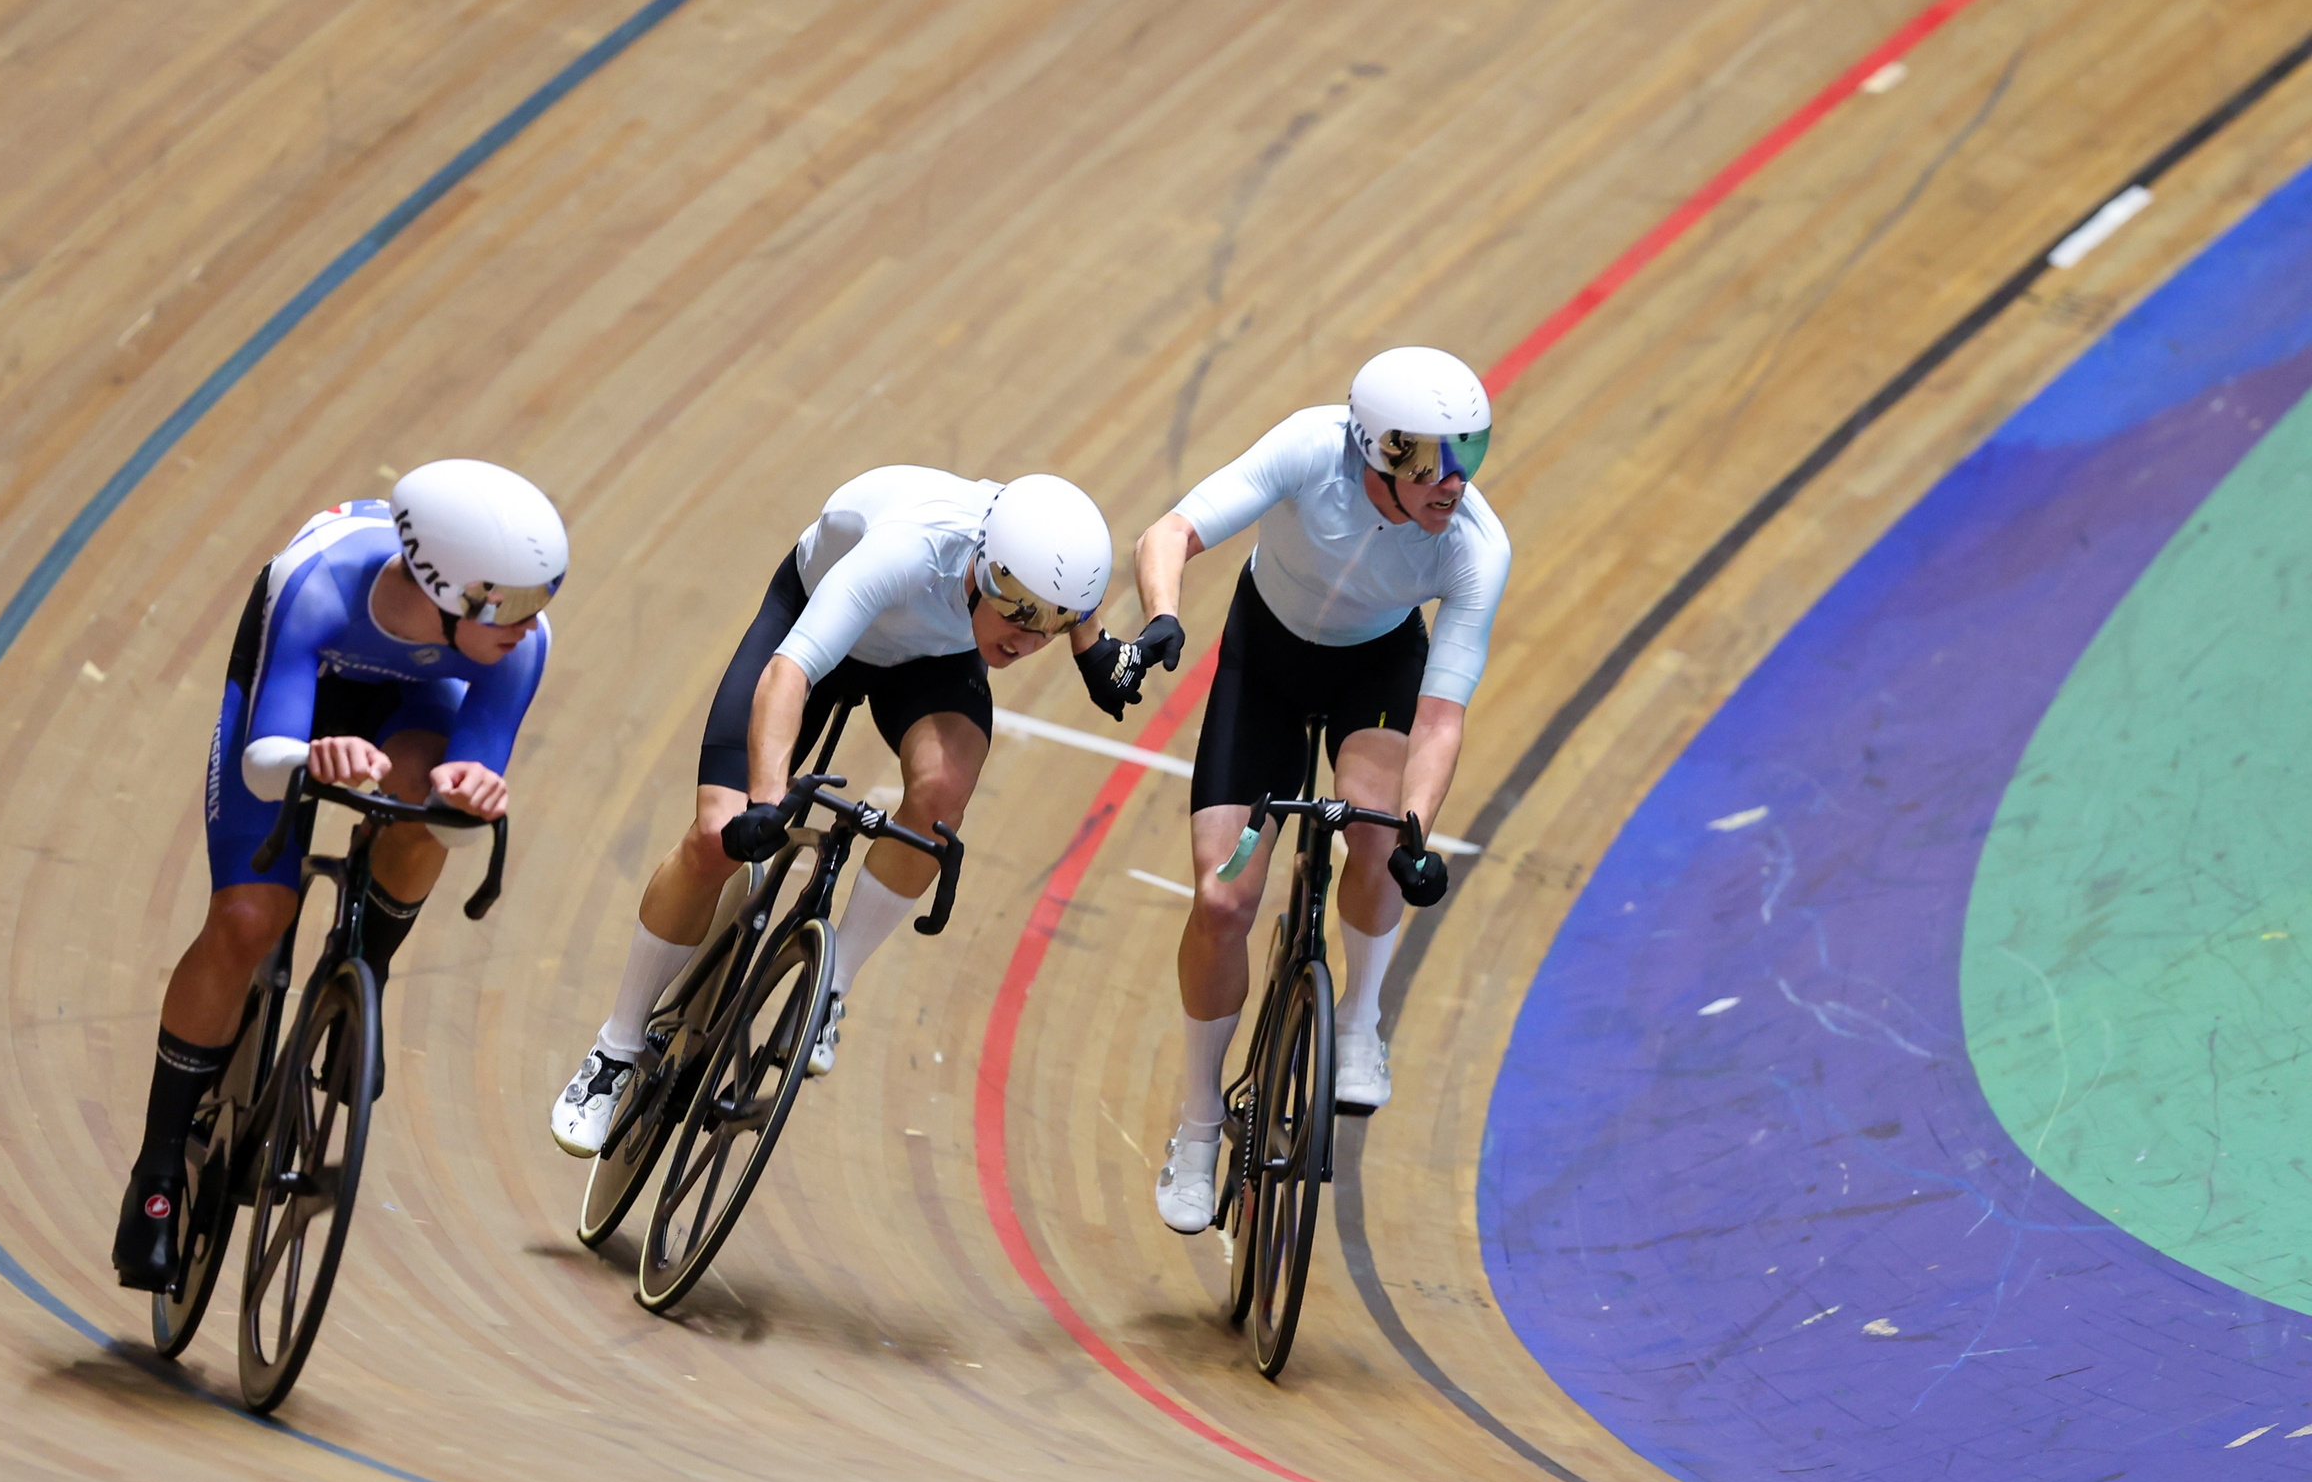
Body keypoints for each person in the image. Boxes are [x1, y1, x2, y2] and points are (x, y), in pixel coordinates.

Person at [550, 466, 1142, 1156]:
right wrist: (767, 803)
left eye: (1051, 625)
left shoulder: (1033, 566)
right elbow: (790, 673)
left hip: (930, 657)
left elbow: (1062, 590)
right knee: (716, 835)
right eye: (1017, 614)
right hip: (815, 626)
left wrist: (1094, 645)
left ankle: (832, 983)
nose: (1026, 640)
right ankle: (614, 1052)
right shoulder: (909, 550)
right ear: (984, 568)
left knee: (943, 792)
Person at [112, 459, 566, 1290]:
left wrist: (470, 793)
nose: (530, 623)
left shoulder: (515, 644)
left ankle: (366, 976)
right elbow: (263, 766)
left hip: (409, 713)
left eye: (545, 597)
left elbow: (462, 820)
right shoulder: (315, 582)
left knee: (427, 799)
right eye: (512, 603)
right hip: (296, 699)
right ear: (440, 586)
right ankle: (158, 1169)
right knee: (251, 919)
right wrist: (312, 753)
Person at [1132, 347, 1512, 1233]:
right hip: (1263, 660)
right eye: (1432, 462)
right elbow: (1171, 534)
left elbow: (1442, 721)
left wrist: (1417, 833)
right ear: (1377, 450)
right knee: (1224, 902)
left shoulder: (1475, 549)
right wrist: (1162, 616)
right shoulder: (1310, 448)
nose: (1454, 484)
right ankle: (1196, 1129)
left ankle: (1361, 1020)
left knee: (1378, 836)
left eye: (1472, 454)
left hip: (1375, 670)